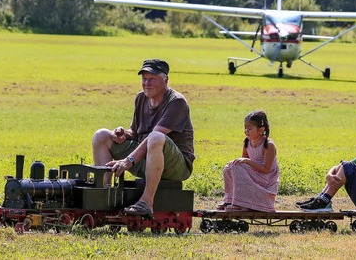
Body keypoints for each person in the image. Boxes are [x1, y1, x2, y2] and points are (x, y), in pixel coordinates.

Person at [91, 59, 194, 219]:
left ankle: (146, 203)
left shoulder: (177, 102)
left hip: (176, 166)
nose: (146, 83)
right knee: (101, 135)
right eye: (144, 79)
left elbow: (155, 136)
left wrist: (128, 160)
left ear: (165, 80)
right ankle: (104, 194)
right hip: (147, 156)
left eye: (151, 79)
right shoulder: (141, 98)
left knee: (155, 137)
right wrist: (124, 133)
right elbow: (136, 132)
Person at [216, 110, 279, 212]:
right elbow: (242, 165)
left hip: (265, 178)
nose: (246, 131)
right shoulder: (247, 142)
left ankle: (239, 202)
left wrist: (247, 161)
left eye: (250, 128)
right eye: (245, 128)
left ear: (261, 130)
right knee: (229, 167)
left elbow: (266, 169)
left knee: (237, 166)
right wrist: (239, 162)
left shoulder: (268, 144)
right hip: (255, 173)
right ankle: (229, 200)